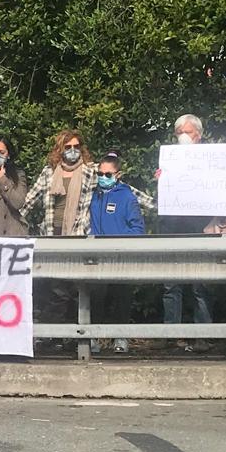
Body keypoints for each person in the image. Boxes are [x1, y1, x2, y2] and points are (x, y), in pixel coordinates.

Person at [155, 114, 213, 353]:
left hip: (200, 225)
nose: (183, 136)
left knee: (201, 284)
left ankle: (202, 336)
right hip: (172, 225)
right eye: (179, 132)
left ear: (198, 135)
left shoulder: (211, 160)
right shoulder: (169, 159)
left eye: (187, 132)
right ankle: (172, 334)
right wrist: (160, 180)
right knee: (171, 284)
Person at [88, 151, 145, 355]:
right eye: (100, 173)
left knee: (121, 297)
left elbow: (138, 228)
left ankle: (120, 337)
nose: (103, 178)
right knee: (96, 297)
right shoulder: (92, 194)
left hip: (121, 257)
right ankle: (92, 338)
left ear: (118, 175)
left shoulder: (127, 196)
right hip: (97, 257)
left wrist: (120, 243)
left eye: (108, 174)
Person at [20, 129, 96, 237]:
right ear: (61, 149)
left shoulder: (90, 171)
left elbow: (111, 181)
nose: (73, 150)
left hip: (79, 230)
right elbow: (30, 199)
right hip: (52, 228)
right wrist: (15, 220)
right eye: (68, 147)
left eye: (76, 146)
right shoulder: (49, 171)